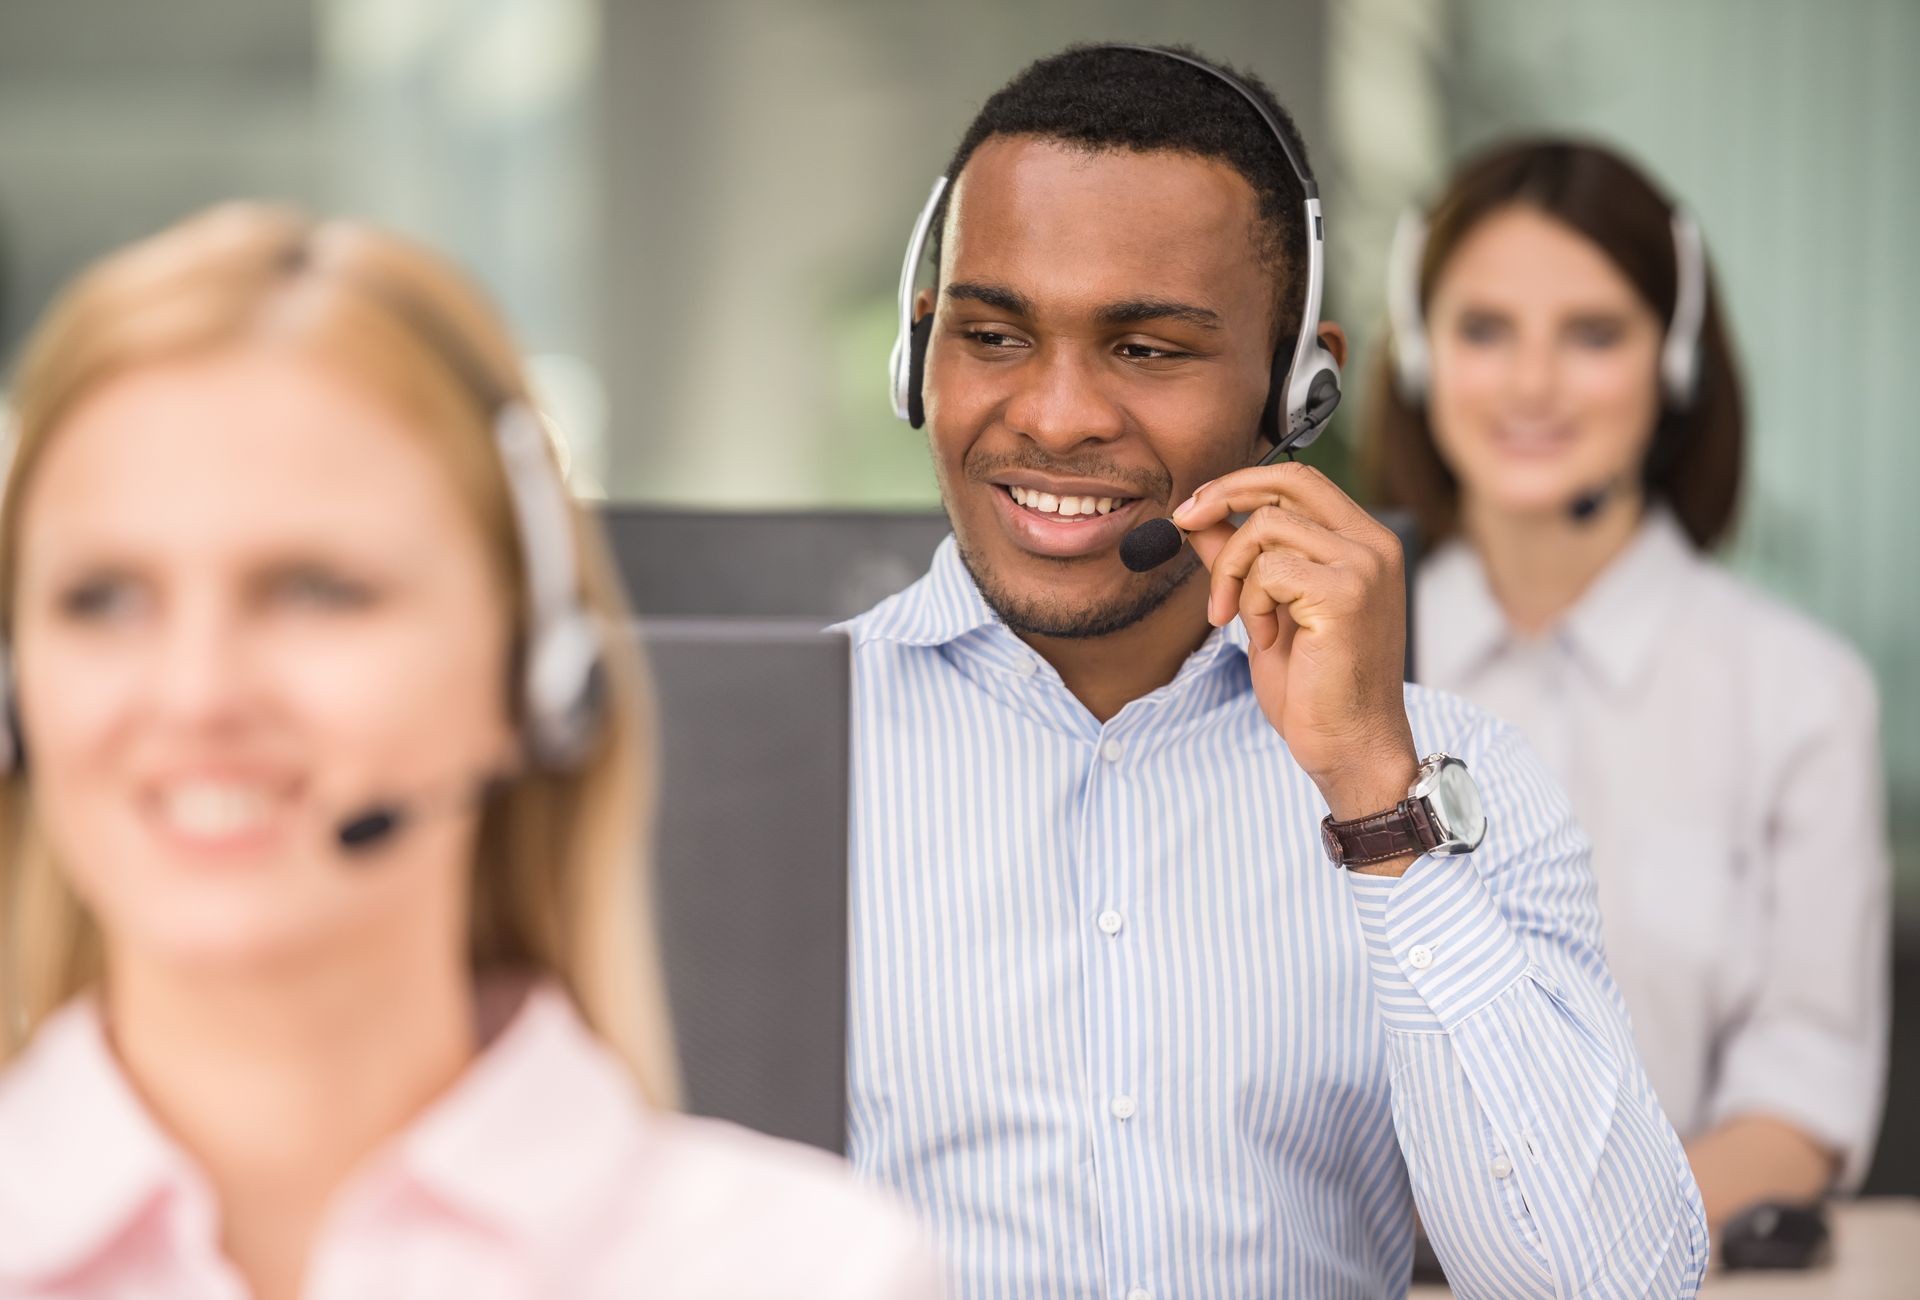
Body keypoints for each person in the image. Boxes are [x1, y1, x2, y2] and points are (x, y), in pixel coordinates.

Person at [846, 43, 1705, 1300]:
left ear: (1298, 383)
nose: (1057, 413)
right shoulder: (765, 756)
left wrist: (1376, 804)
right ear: (920, 354)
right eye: (993, 332)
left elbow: (1611, 1286)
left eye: (1147, 348)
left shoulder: (1455, 779)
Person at [0, 205, 941, 1300]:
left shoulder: (804, 1272)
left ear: (532, 669)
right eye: (103, 599)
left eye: (317, 589)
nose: (197, 692)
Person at [1363, 138, 1889, 1233]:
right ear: (1418, 354)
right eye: (1484, 329)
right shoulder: (1339, 670)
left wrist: (1576, 1254)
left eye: (1593, 334)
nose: (1532, 383)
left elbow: (1803, 1104)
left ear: (1676, 362)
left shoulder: (1799, 693)